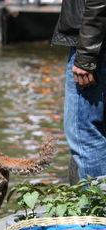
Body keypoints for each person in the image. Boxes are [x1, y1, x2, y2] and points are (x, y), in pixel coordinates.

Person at [51, 0, 106, 183]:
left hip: (94, 45)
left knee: (84, 132)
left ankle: (94, 209)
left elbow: (98, 3)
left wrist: (86, 57)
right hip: (95, 41)